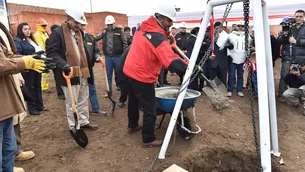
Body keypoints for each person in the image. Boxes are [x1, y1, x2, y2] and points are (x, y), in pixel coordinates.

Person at [123, 2, 188, 147]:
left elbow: (156, 37)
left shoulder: (144, 27)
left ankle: (132, 125)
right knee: (150, 107)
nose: (171, 24)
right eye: (169, 20)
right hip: (142, 75)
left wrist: (167, 37)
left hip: (130, 70)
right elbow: (170, 62)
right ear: (161, 18)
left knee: (133, 101)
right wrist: (188, 68)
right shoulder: (158, 38)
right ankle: (148, 138)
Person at [0, 21, 48, 172]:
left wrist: (32, 59)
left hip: (5, 101)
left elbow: (8, 55)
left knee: (8, 147)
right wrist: (24, 62)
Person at [46, 9, 98, 131]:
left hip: (82, 72)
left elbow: (84, 51)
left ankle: (83, 121)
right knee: (72, 102)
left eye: (80, 23)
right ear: (68, 19)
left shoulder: (80, 33)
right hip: (69, 73)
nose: (79, 26)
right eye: (76, 23)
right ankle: (74, 125)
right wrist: (63, 64)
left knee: (83, 99)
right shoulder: (58, 33)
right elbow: (51, 52)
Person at [14, 22, 49, 115]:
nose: (28, 31)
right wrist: (31, 57)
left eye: (29, 29)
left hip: (37, 65)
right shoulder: (18, 40)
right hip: (27, 67)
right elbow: (18, 54)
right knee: (30, 87)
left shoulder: (32, 40)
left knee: (38, 86)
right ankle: (32, 108)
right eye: (25, 29)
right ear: (20, 30)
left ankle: (40, 105)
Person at [95, 15, 128, 97]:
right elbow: (96, 37)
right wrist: (87, 38)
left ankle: (122, 92)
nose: (109, 26)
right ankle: (109, 91)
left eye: (111, 24)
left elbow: (124, 43)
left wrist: (124, 56)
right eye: (108, 25)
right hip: (108, 57)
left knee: (120, 74)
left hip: (118, 56)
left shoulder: (119, 31)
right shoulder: (104, 31)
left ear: (114, 23)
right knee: (108, 75)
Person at [80, 18, 106, 115]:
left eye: (83, 25)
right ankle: (82, 112)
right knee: (81, 91)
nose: (82, 27)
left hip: (89, 68)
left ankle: (95, 108)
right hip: (77, 69)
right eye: (80, 25)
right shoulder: (73, 38)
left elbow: (95, 51)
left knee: (92, 87)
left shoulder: (90, 38)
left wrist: (97, 57)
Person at [278, 10, 305, 102]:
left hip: (301, 58)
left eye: (300, 16)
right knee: (284, 76)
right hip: (288, 56)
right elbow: (279, 41)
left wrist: (296, 42)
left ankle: (298, 95)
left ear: (303, 17)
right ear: (294, 17)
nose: (298, 18)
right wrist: (285, 35)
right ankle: (282, 95)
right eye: (297, 16)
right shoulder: (290, 27)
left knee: (298, 77)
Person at [227, 21, 252, 97]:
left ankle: (240, 90)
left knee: (240, 75)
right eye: (239, 26)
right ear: (236, 26)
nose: (240, 27)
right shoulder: (230, 36)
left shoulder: (248, 37)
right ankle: (230, 90)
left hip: (242, 58)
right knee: (231, 75)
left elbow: (249, 48)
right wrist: (229, 55)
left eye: (242, 26)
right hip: (233, 58)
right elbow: (227, 46)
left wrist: (247, 57)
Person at [33, 18, 51, 94]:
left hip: (47, 54)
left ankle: (45, 86)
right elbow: (41, 46)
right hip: (42, 55)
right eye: (43, 25)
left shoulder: (45, 33)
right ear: (39, 26)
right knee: (43, 72)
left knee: (46, 72)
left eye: (45, 25)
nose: (45, 26)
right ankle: (44, 87)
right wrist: (45, 53)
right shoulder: (37, 35)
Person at [49, 24, 65, 100]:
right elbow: (50, 52)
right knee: (58, 78)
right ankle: (60, 93)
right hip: (55, 62)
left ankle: (63, 91)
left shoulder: (62, 38)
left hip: (62, 61)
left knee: (63, 77)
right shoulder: (49, 40)